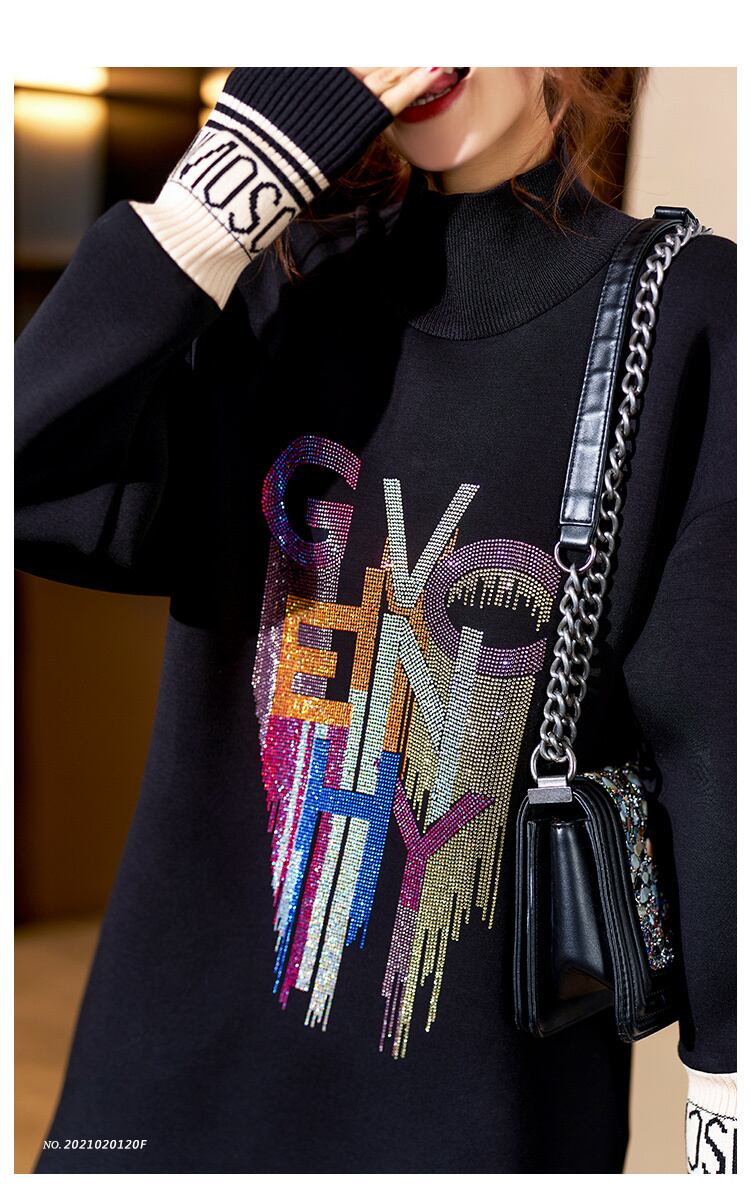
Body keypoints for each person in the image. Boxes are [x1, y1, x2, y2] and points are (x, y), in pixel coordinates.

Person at [15, 67, 736, 1174]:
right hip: (161, 1102)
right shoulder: (278, 279)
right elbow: (30, 482)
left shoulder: (684, 306)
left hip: (473, 1128)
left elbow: (718, 742)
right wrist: (226, 190)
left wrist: (726, 1098)